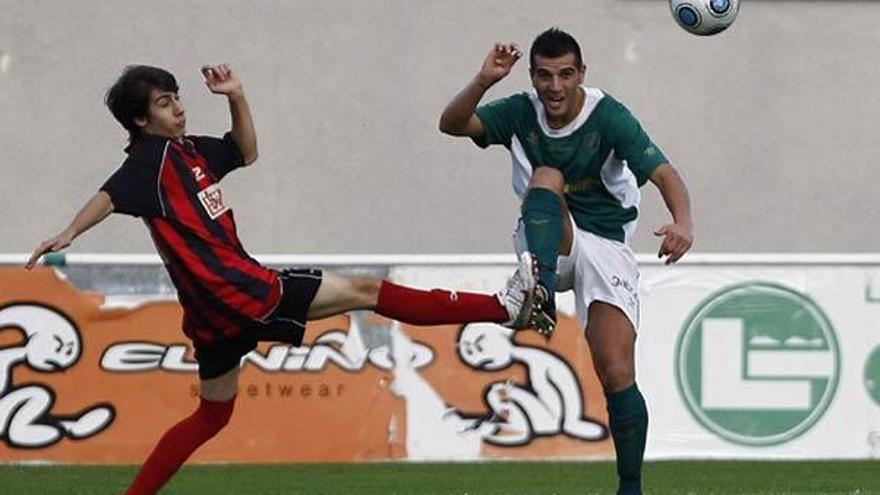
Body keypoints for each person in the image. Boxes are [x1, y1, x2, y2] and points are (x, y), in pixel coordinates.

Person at [25, 63, 541, 495]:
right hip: (241, 291)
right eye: (164, 102)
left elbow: (245, 152)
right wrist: (69, 230)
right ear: (140, 119)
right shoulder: (148, 162)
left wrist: (237, 96)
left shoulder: (189, 152)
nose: (178, 107)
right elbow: (109, 195)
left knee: (212, 417)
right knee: (365, 291)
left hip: (213, 315)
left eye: (177, 97)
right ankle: (502, 307)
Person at [438, 28, 694, 495]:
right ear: (533, 76)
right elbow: (452, 124)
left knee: (616, 371)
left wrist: (683, 222)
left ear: (581, 75)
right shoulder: (520, 110)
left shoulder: (608, 115)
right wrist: (483, 80)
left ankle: (631, 487)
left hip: (607, 245)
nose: (554, 87)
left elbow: (663, 172)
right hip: (548, 238)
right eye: (544, 76)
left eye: (565, 75)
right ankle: (540, 285)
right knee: (547, 173)